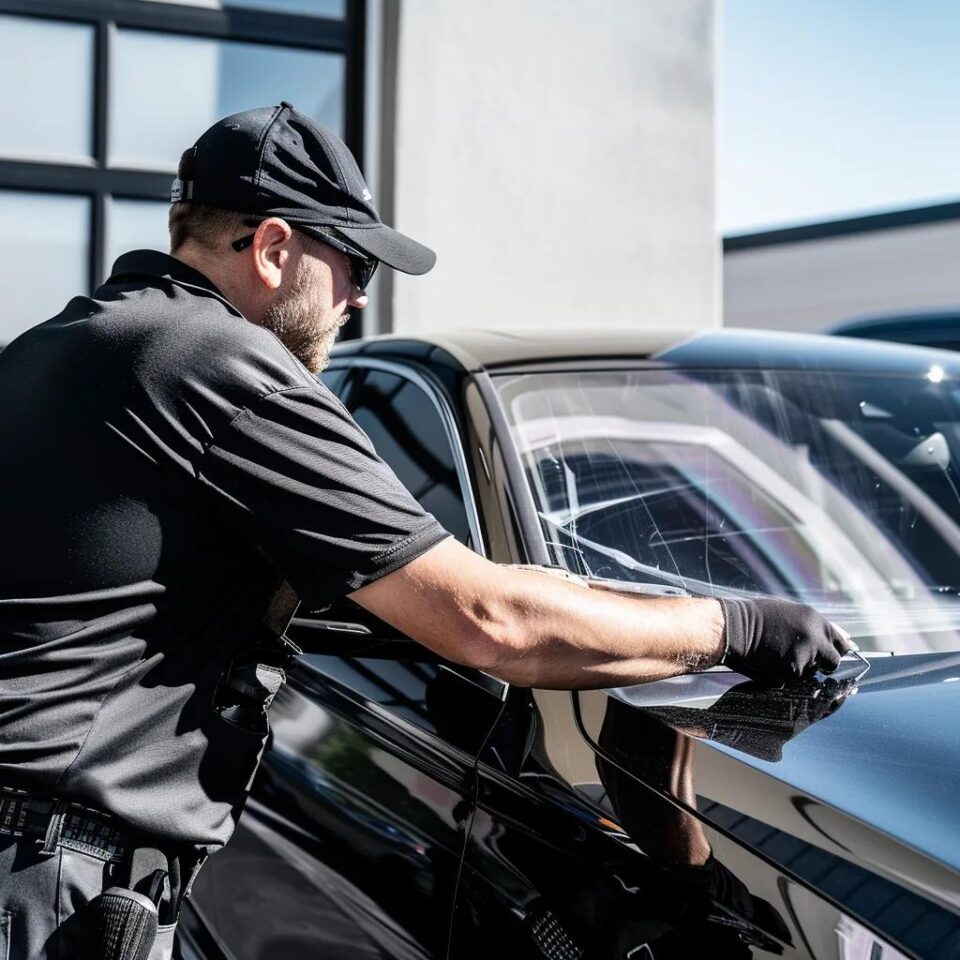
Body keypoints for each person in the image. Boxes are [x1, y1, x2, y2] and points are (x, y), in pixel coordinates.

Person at [0, 103, 853, 959]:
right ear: (273, 248)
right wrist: (737, 627)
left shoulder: (54, 348)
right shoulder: (224, 365)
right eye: (355, 261)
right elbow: (489, 621)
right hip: (47, 884)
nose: (359, 295)